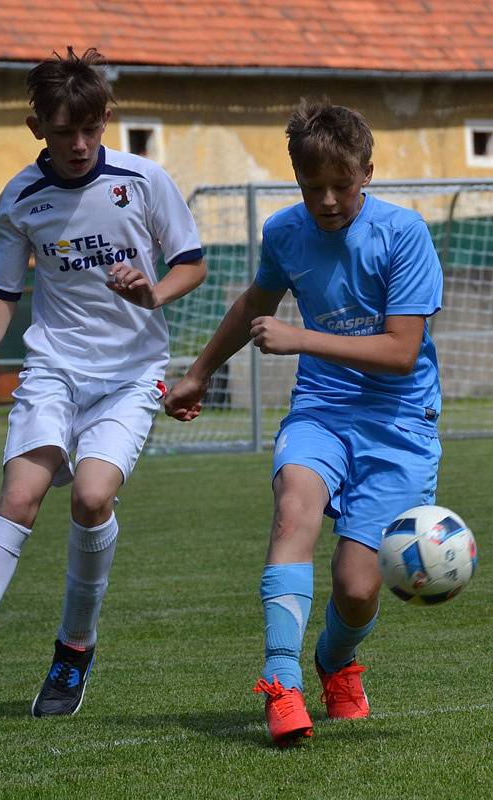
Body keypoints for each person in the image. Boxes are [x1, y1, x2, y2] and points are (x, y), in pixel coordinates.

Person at [0, 46, 206, 730]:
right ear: (36, 124)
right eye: (63, 129)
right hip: (53, 370)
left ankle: (73, 650)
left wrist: (152, 291)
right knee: (18, 497)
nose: (79, 144)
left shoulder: (143, 178)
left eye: (90, 129)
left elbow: (191, 263)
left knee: (94, 498)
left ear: (107, 118)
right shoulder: (20, 197)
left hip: (131, 376)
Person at [165, 97, 442, 747]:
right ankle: (281, 682)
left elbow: (402, 353)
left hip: (399, 420)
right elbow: (253, 302)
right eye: (311, 186)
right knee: (295, 506)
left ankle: (335, 660)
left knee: (355, 589)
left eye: (340, 185)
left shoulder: (403, 236)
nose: (326, 200)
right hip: (321, 408)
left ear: (366, 173)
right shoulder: (285, 233)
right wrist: (200, 371)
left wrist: (302, 339)